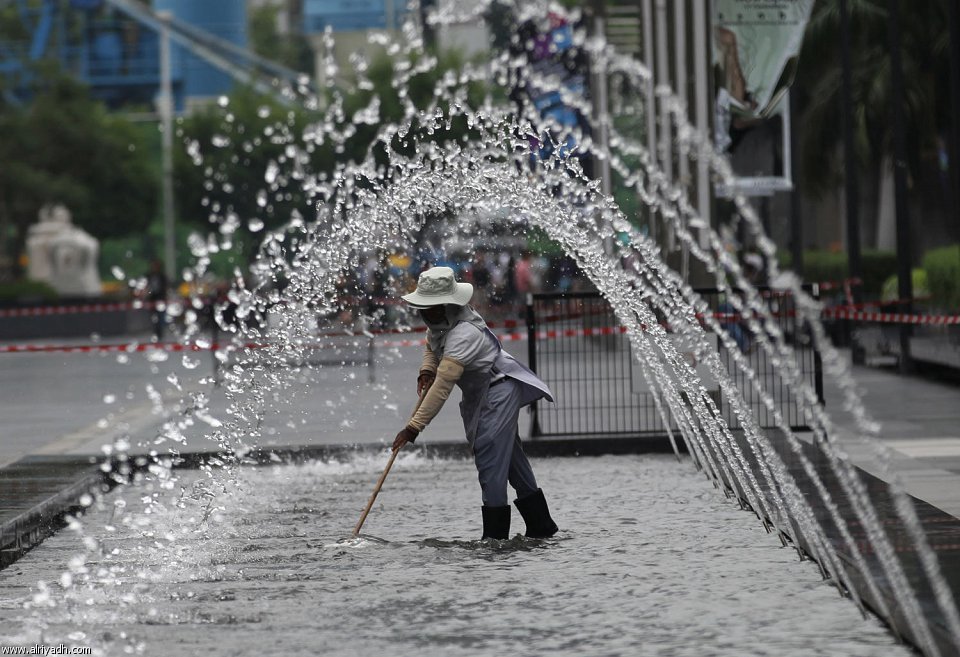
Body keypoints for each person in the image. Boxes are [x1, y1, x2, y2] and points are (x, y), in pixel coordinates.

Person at [392, 266, 559, 540]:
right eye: (423, 308)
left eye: (430, 308)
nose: (425, 314)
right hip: (480, 394)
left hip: (499, 390)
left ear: (447, 304)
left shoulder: (464, 333)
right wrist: (425, 370)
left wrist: (413, 427)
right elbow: (431, 345)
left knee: (490, 457)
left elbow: (443, 386)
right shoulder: (441, 322)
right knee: (511, 459)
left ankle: (494, 538)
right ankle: (541, 526)